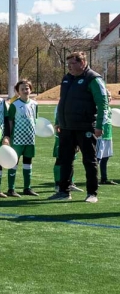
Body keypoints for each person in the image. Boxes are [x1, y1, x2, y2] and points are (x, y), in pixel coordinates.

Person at [51, 51, 109, 202]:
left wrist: (99, 125)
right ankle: (64, 191)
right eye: (68, 64)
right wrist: (58, 120)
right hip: (67, 127)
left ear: (82, 63)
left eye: (72, 64)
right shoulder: (66, 79)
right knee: (65, 159)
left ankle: (92, 193)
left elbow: (103, 104)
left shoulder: (93, 79)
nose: (69, 67)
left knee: (89, 161)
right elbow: (62, 101)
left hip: (86, 127)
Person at [5, 80, 40, 197]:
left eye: (27, 88)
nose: (25, 91)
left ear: (31, 89)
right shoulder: (14, 105)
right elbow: (10, 122)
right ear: (18, 92)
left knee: (28, 163)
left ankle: (27, 188)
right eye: (22, 89)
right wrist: (8, 137)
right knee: (13, 162)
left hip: (30, 139)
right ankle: (11, 189)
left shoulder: (35, 104)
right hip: (17, 139)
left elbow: (35, 120)